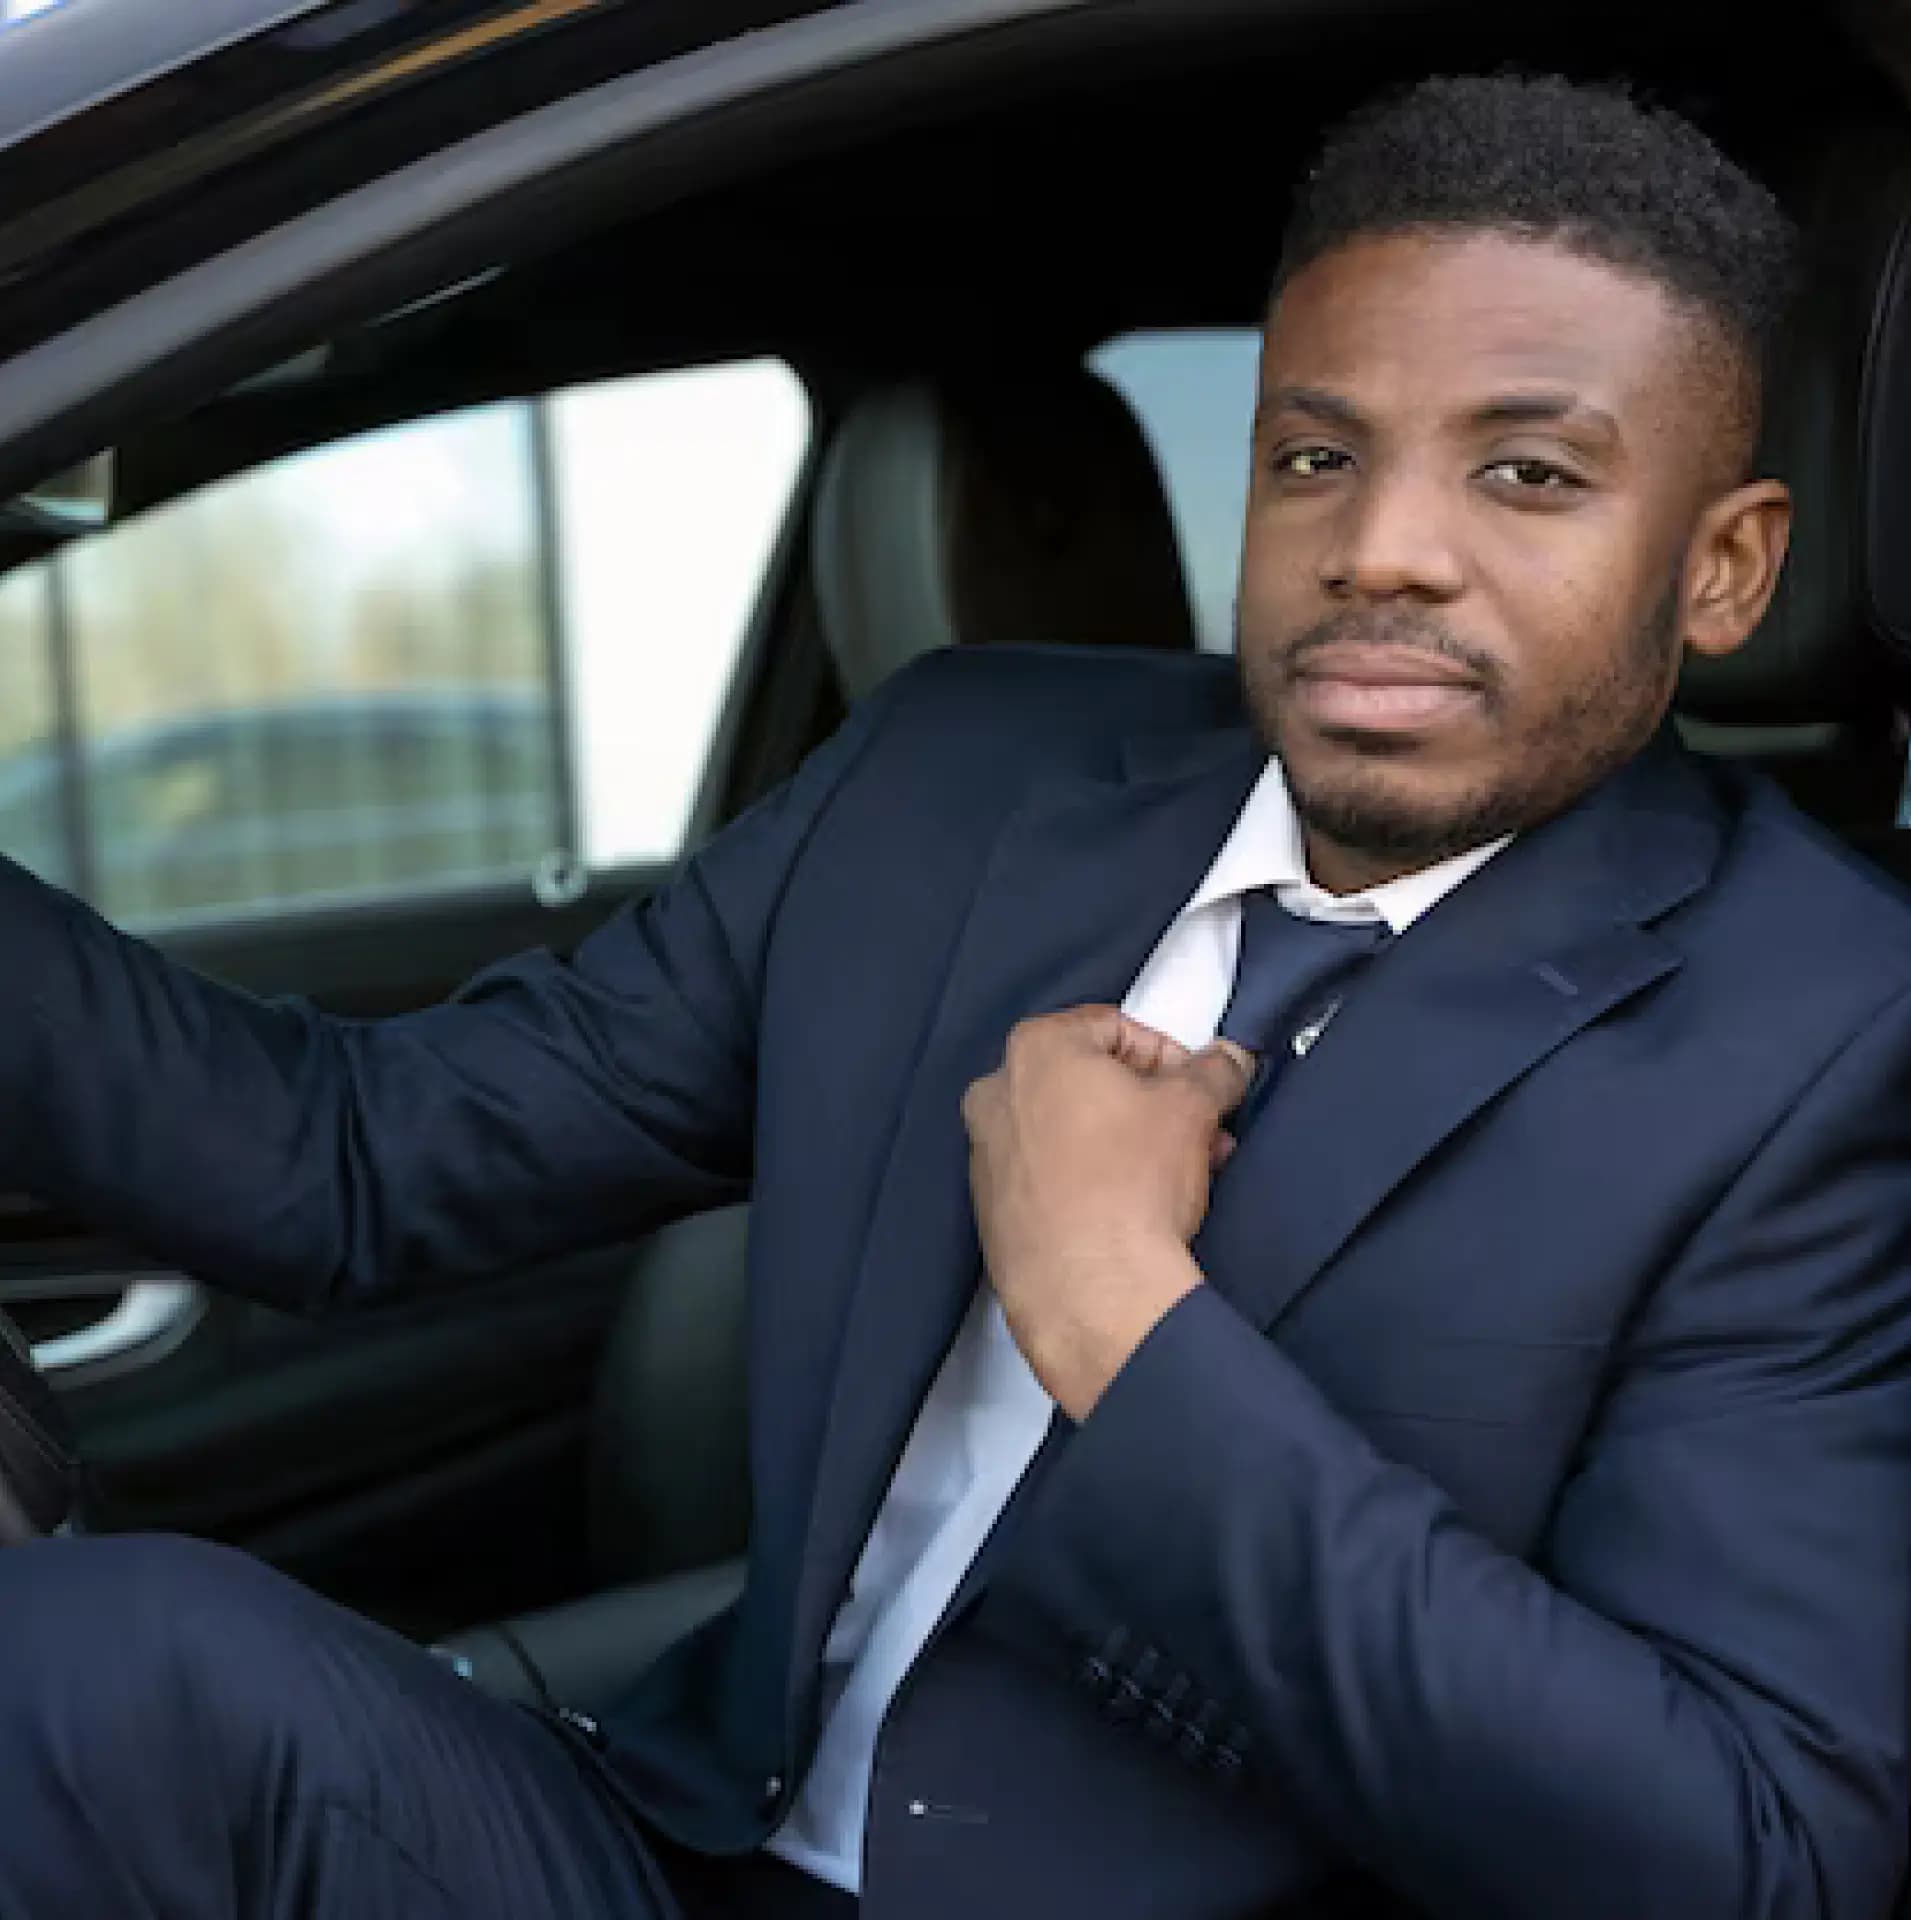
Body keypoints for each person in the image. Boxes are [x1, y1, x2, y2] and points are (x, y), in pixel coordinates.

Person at [0, 68, 1904, 1920]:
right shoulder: (957, 782)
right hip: (681, 1844)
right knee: (96, 1658)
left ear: (1723, 567)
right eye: (1318, 454)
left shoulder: (1826, 1037)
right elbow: (352, 1160)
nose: (1382, 547)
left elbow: (1731, 1855)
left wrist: (1122, 1324)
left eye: (1527, 472)